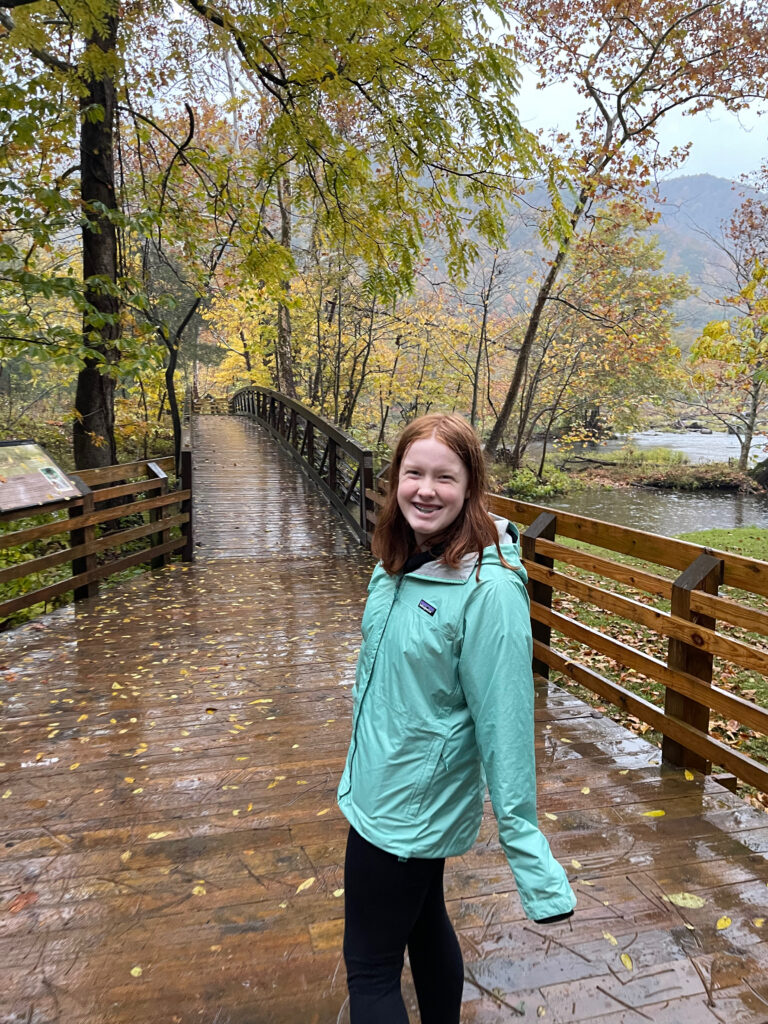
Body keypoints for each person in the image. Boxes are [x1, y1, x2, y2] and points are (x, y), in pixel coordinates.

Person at [337, 413, 576, 1024]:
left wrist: (528, 851)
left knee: (369, 971)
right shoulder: (403, 555)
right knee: (422, 921)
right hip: (384, 780)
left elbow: (507, 722)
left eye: (445, 477)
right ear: (394, 479)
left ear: (471, 486)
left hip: (405, 805)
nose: (425, 489)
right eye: (413, 473)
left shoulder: (488, 590)